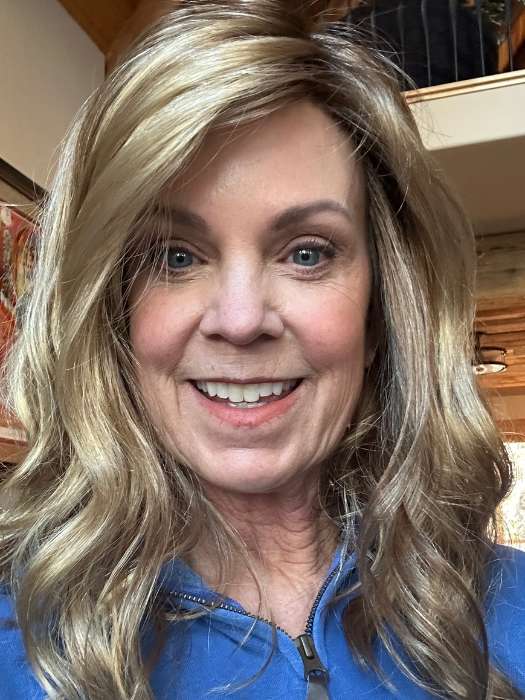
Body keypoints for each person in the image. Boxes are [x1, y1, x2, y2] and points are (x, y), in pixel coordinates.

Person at [0, 1, 524, 698]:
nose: (241, 320)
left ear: (377, 314)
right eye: (175, 256)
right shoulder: (17, 642)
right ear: (112, 314)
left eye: (307, 252)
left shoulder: (512, 610)